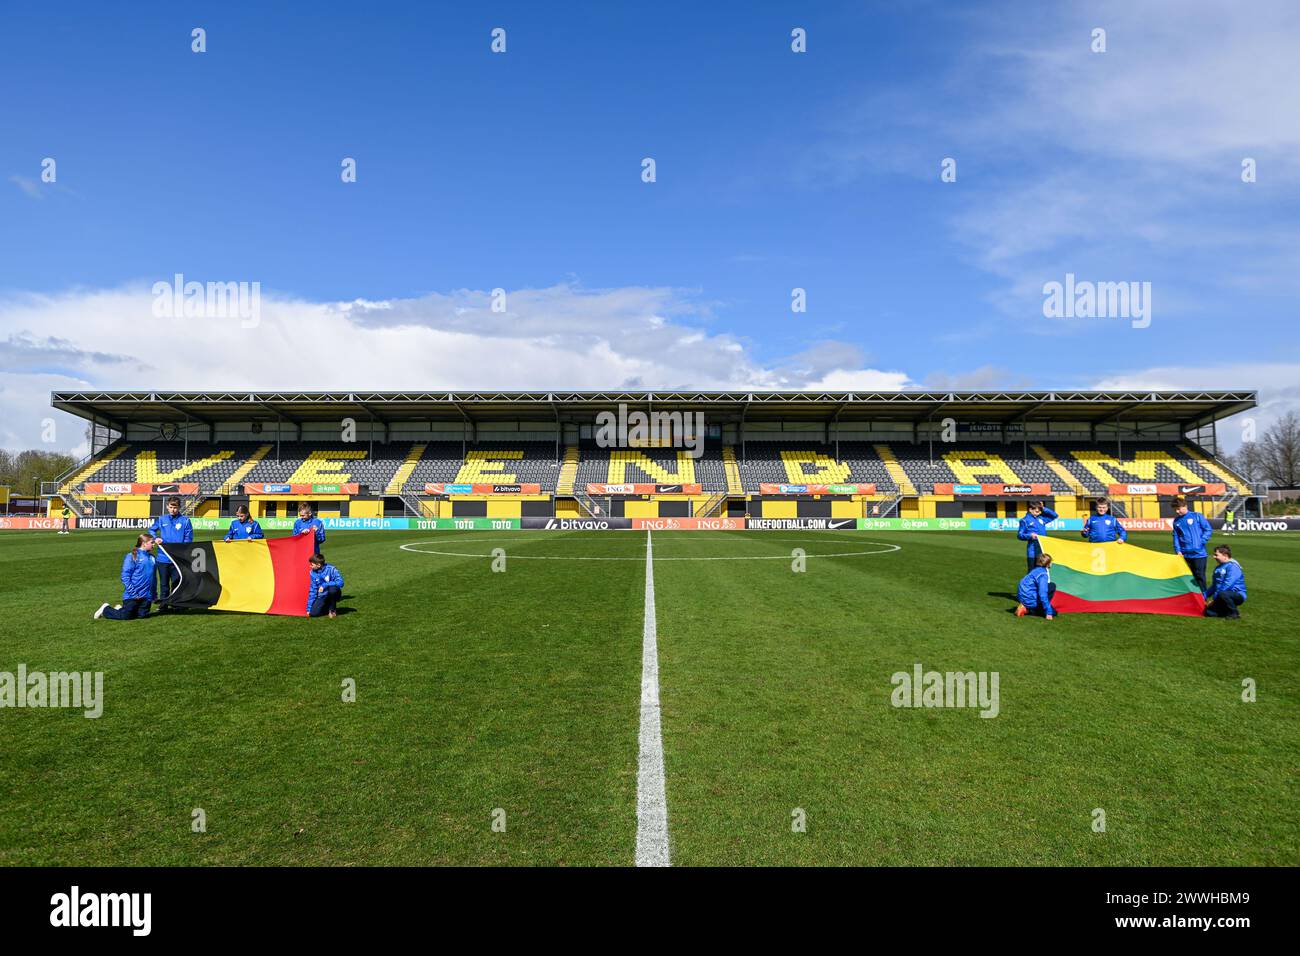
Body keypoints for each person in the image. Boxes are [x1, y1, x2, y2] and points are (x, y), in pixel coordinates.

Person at [95, 534, 157, 620]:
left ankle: (120, 609)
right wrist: (133, 593)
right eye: (152, 542)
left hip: (146, 596)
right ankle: (105, 609)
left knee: (142, 616)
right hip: (133, 595)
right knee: (126, 616)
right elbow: (125, 577)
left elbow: (153, 578)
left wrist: (154, 594)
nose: (154, 544)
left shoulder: (152, 558)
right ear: (144, 543)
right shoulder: (132, 556)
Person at [148, 496, 193, 609]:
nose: (173, 509)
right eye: (171, 507)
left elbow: (188, 538)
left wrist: (181, 550)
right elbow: (151, 530)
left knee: (177, 582)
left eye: (176, 507)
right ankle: (163, 606)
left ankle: (176, 604)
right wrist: (155, 538)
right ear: (167, 507)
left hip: (177, 558)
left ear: (179, 508)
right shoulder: (162, 519)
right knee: (164, 584)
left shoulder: (185, 521)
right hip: (162, 558)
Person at [1171, 497, 1213, 594]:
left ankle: (1203, 598)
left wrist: (1200, 542)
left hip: (1199, 554)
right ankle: (1191, 598)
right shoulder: (1176, 521)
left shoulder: (1197, 516)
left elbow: (1208, 529)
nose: (1177, 511)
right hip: (1184, 555)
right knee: (1188, 577)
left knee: (1200, 577)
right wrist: (1178, 550)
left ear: (1185, 506)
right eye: (1175, 510)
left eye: (1178, 509)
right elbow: (1176, 537)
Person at [1204, 545, 1247, 618]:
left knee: (1223, 594)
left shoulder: (1233, 566)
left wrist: (1215, 599)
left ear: (1225, 556)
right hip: (1221, 595)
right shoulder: (1218, 568)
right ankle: (1226, 611)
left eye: (1216, 555)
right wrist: (1203, 596)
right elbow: (1214, 585)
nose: (1214, 557)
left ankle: (1235, 613)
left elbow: (1228, 584)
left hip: (1236, 595)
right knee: (1208, 612)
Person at [1017, 500, 1059, 572]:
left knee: (1042, 571)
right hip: (1032, 551)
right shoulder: (1024, 521)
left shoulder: (1041, 518)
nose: (1039, 513)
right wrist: (1029, 536)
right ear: (1030, 510)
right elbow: (1020, 535)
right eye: (1037, 511)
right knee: (1032, 572)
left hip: (1042, 549)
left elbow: (1055, 515)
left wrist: (1044, 508)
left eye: (1040, 511)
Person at [1015, 553, 1057, 620]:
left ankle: (1026, 606)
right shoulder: (1043, 574)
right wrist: (1048, 612)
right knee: (1054, 612)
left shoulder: (1034, 570)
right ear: (1048, 563)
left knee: (1050, 585)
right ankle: (1030, 610)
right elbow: (1043, 594)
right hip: (1030, 599)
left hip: (1021, 597)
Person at [307, 553, 345, 618]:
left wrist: (325, 585)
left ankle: (332, 609)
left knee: (332, 589)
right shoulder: (312, 573)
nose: (310, 566)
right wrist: (309, 608)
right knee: (313, 614)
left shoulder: (331, 569)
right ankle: (327, 606)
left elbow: (341, 582)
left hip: (334, 593)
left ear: (318, 565)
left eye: (311, 564)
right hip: (322, 596)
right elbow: (313, 590)